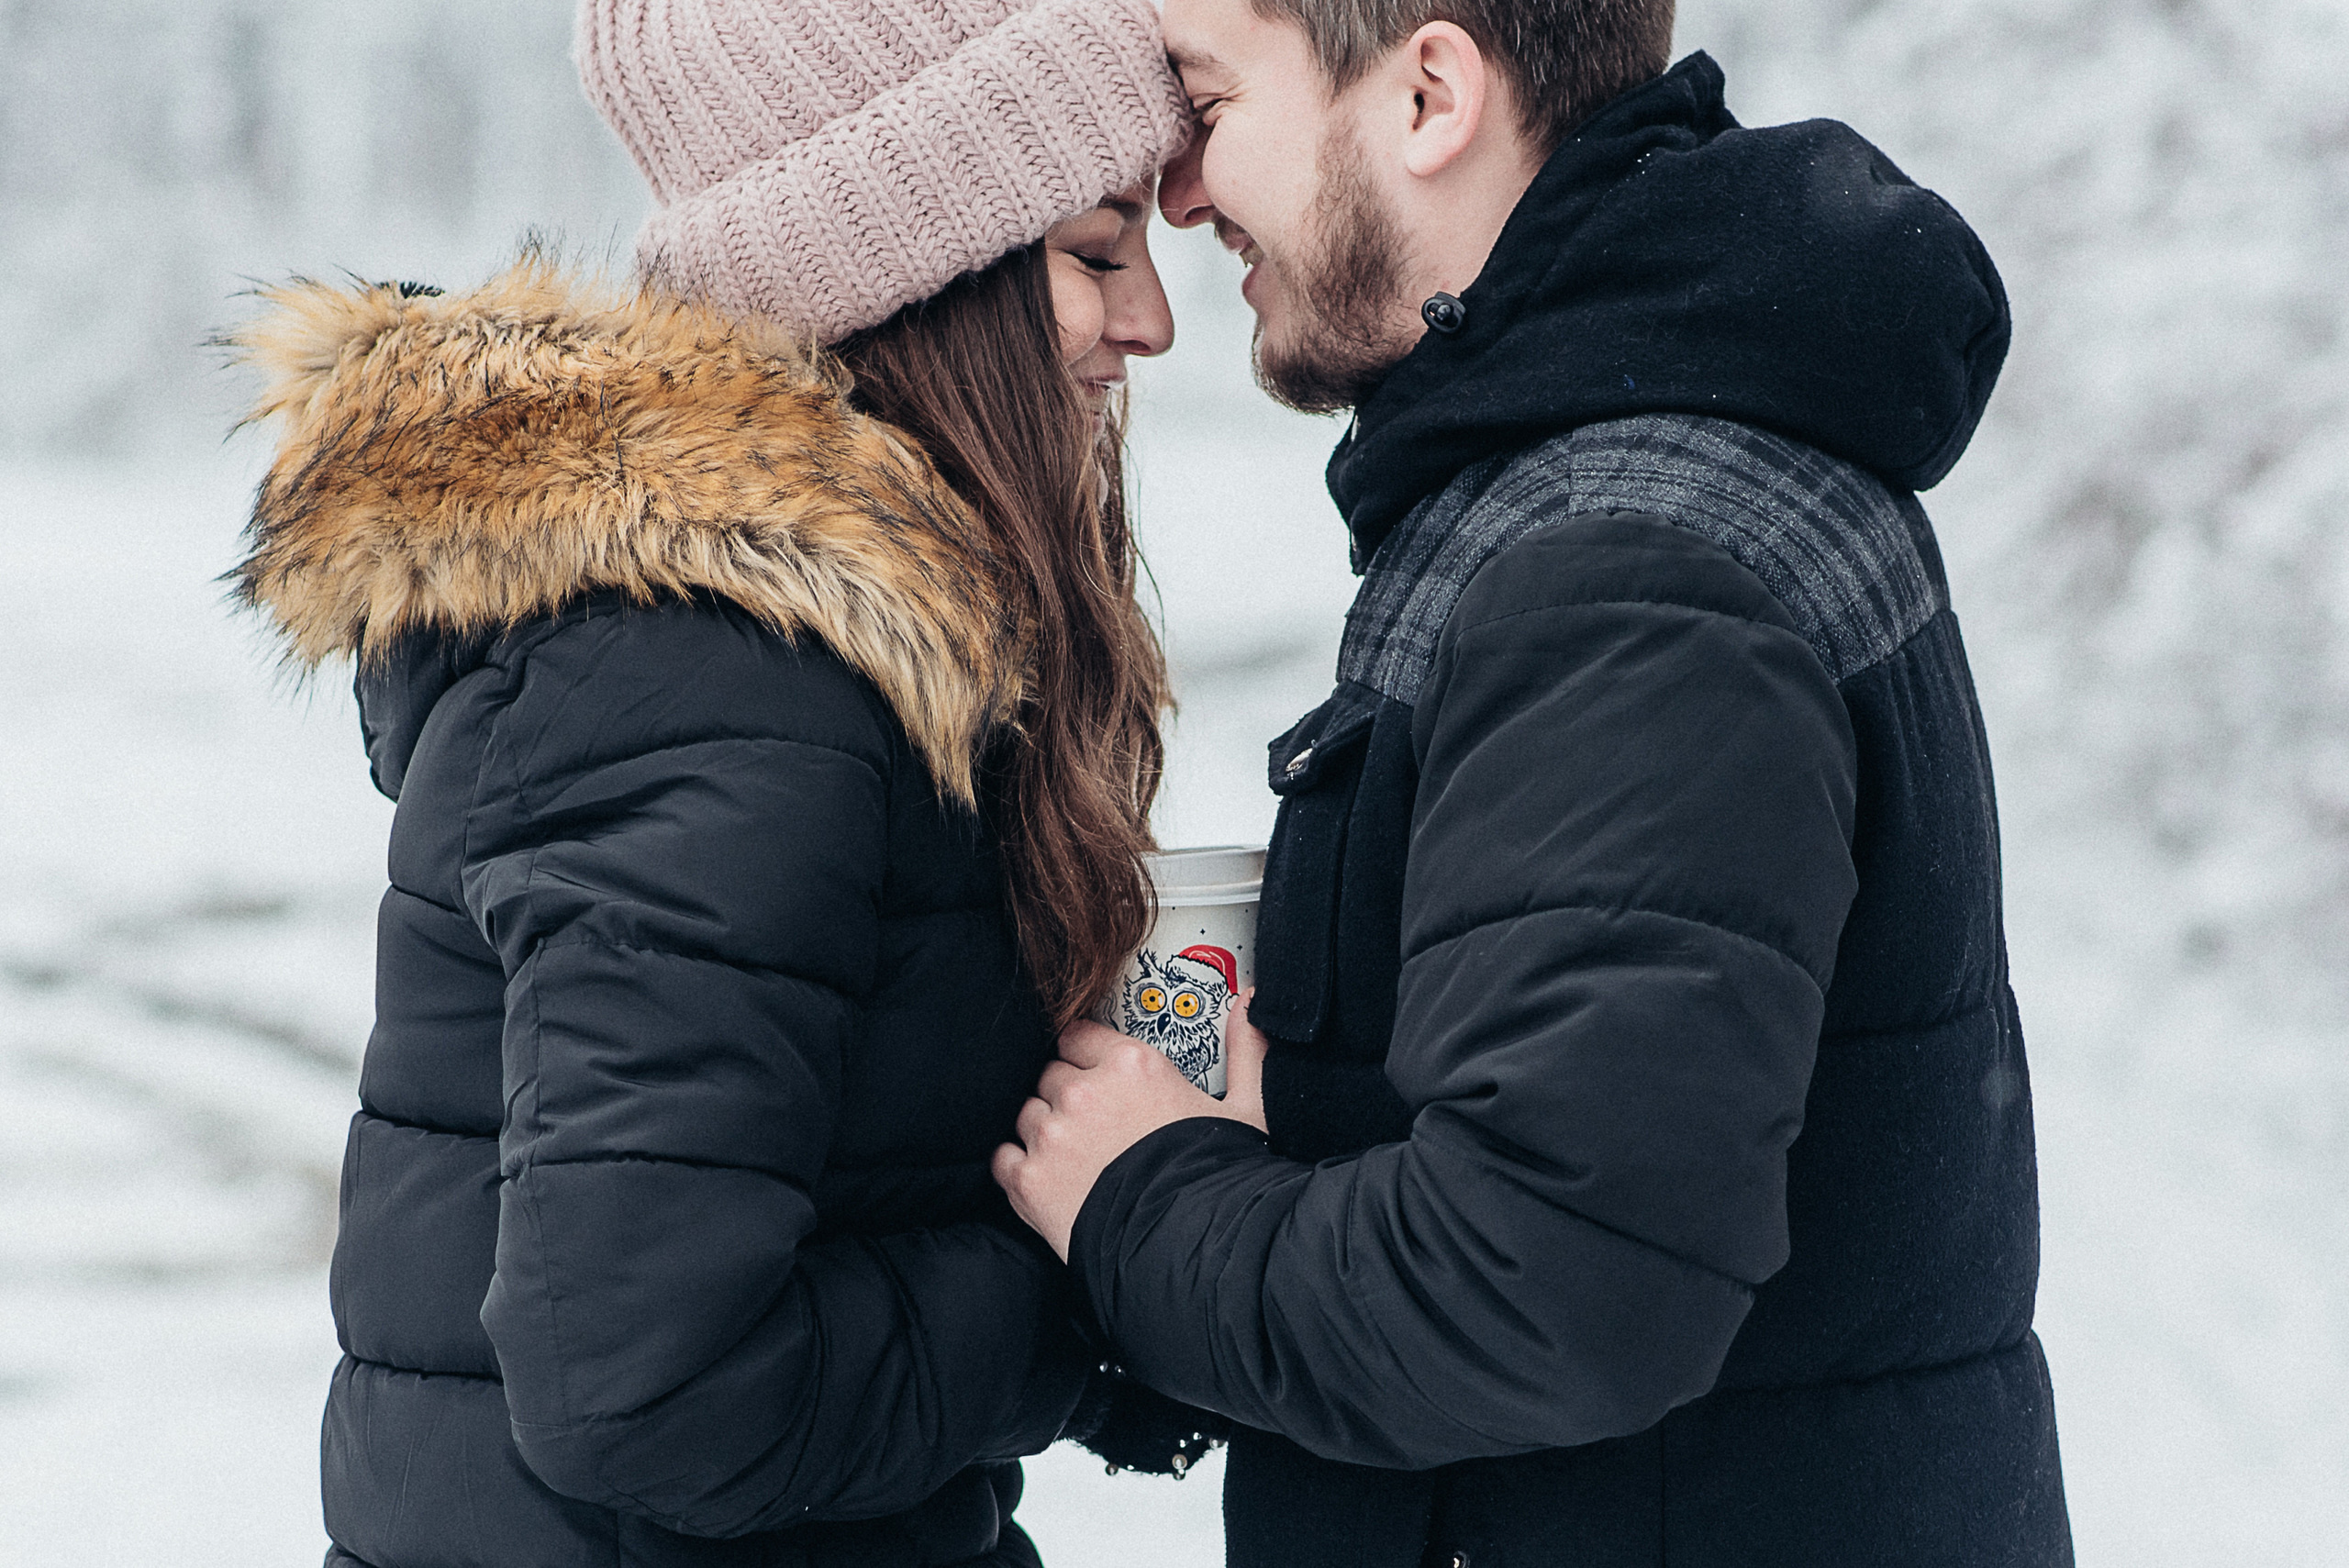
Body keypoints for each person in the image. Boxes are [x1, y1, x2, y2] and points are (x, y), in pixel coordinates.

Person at [992, 0, 2076, 1563]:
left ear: (1430, 93)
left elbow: (1540, 1285)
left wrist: (1145, 1195)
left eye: (1211, 102)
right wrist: (1307, 1090)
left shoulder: (1626, 569)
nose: (1177, 188)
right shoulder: (1629, 464)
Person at [225, 1, 1191, 1563]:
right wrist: (1090, 1286)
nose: (1150, 320)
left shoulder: (804, 668)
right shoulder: (724, 680)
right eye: (1095, 251)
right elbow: (645, 1384)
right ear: (914, 266)